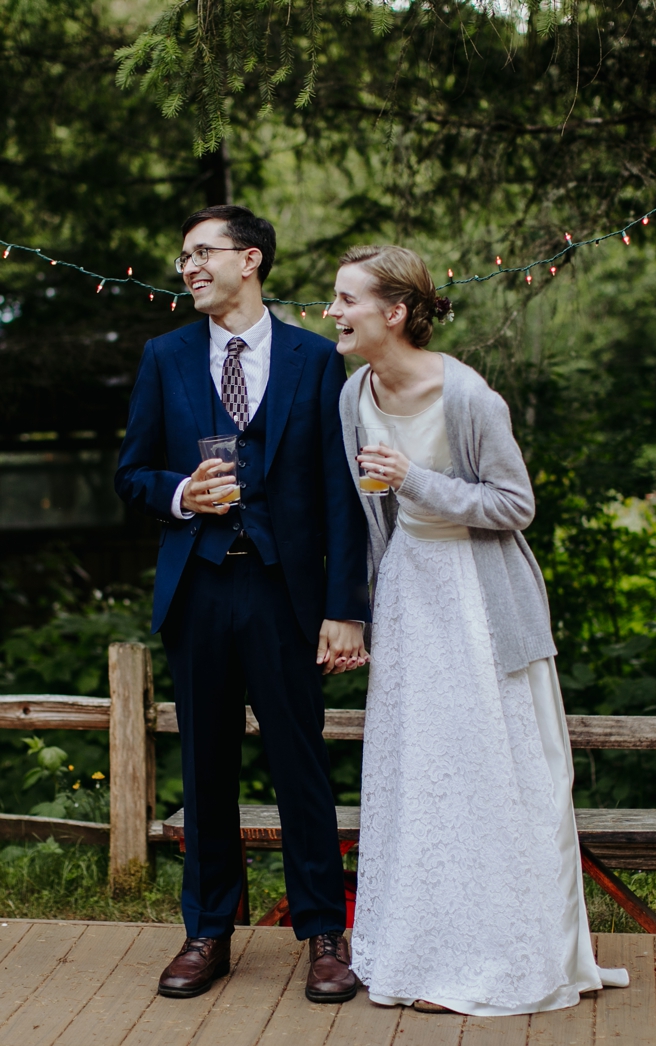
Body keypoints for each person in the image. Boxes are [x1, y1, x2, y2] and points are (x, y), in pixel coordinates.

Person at [328, 244, 628, 1015]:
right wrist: (357, 610)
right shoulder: (352, 393)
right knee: (417, 778)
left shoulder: (468, 397)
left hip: (476, 599)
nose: (331, 312)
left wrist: (418, 481)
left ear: (393, 313)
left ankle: (492, 958)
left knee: (486, 777)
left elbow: (514, 506)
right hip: (408, 595)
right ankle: (418, 953)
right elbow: (369, 520)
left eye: (345, 299)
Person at [114, 205, 368, 1002]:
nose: (187, 267)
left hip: (282, 592)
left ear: (249, 259)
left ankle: (326, 934)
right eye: (183, 256)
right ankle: (207, 932)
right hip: (199, 589)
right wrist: (182, 493)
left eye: (201, 253)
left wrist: (345, 607)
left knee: (302, 766)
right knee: (206, 765)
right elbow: (131, 475)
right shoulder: (165, 356)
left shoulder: (315, 360)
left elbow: (342, 495)